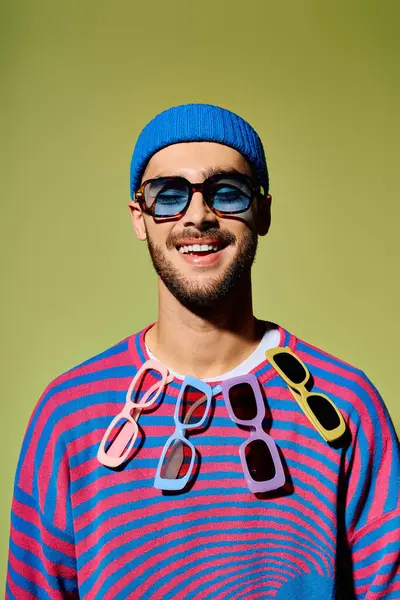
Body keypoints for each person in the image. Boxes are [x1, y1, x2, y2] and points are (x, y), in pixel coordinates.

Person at [6, 103, 400, 600]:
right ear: (138, 218)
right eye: (168, 195)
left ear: (263, 211)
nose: (198, 215)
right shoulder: (67, 415)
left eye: (226, 192)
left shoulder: (345, 404)